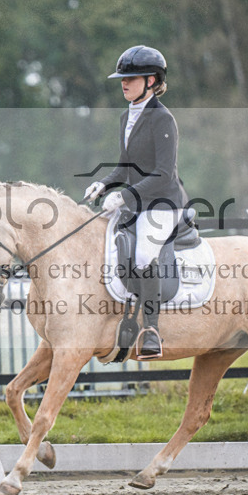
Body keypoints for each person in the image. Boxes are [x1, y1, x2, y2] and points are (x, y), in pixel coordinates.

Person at [83, 45, 188, 360]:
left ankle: (152, 330)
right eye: (122, 79)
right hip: (136, 203)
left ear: (152, 80)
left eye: (131, 78)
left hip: (163, 203)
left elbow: (163, 174)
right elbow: (124, 167)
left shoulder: (163, 119)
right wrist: (104, 183)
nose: (123, 84)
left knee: (143, 255)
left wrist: (124, 195)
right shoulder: (126, 117)